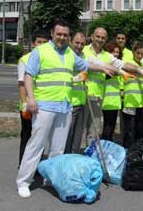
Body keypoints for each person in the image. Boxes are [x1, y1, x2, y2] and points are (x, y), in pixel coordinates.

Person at [16, 19, 117, 198]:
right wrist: (30, 99)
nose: (62, 37)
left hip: (64, 107)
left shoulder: (70, 54)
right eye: (59, 34)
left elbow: (85, 65)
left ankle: (52, 178)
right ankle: (24, 181)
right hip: (43, 107)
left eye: (65, 35)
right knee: (36, 145)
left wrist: (103, 68)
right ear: (52, 34)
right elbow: (28, 75)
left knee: (58, 148)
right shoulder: (40, 51)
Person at [83, 27, 143, 146]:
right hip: (80, 96)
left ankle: (90, 160)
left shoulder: (106, 55)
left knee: (93, 132)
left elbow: (122, 64)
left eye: (103, 38)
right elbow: (87, 63)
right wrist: (117, 71)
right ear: (92, 36)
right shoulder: (84, 50)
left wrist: (140, 70)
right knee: (74, 130)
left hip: (96, 97)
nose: (100, 39)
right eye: (98, 37)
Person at [17, 32, 48, 166]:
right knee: (27, 136)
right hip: (28, 105)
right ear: (33, 44)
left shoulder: (47, 59)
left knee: (40, 137)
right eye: (39, 42)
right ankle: (23, 164)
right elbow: (22, 83)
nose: (41, 45)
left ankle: (37, 165)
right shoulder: (25, 59)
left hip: (43, 105)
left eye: (44, 42)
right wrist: (24, 103)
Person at [122, 41, 143, 147]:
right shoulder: (128, 62)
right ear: (133, 52)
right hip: (131, 101)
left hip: (142, 102)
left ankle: (138, 152)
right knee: (130, 130)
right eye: (138, 53)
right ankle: (128, 150)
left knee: (141, 129)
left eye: (142, 54)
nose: (140, 56)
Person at [64, 32, 88, 154]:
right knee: (68, 134)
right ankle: (65, 159)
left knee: (78, 136)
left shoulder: (83, 56)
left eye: (82, 44)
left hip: (82, 101)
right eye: (77, 43)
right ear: (70, 42)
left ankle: (73, 159)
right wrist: (75, 79)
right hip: (70, 102)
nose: (79, 46)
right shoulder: (66, 55)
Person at [101, 41, 123, 141]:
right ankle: (104, 150)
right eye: (113, 52)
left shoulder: (117, 66)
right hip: (107, 102)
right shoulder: (106, 67)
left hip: (114, 103)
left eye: (117, 52)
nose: (116, 54)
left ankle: (107, 148)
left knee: (110, 129)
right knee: (107, 130)